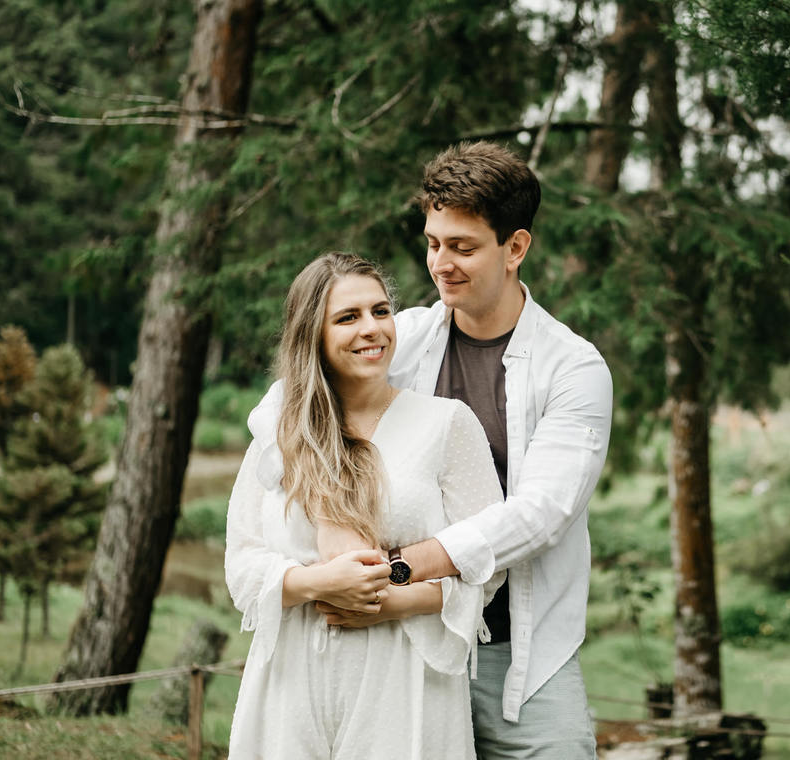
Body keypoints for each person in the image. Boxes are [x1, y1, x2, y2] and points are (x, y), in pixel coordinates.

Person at [249, 141, 613, 758]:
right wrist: (337, 535)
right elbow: (286, 409)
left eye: (463, 247)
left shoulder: (572, 369)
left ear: (516, 247)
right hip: (401, 648)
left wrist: (396, 573)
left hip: (515, 657)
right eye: (433, 243)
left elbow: (541, 513)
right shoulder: (403, 335)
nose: (441, 263)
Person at [225, 252, 505, 760]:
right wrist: (317, 583)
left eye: (380, 311)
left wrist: (393, 599)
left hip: (404, 674)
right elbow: (241, 565)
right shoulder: (281, 432)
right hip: (292, 680)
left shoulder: (446, 424)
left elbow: (486, 567)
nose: (371, 329)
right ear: (314, 334)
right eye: (348, 317)